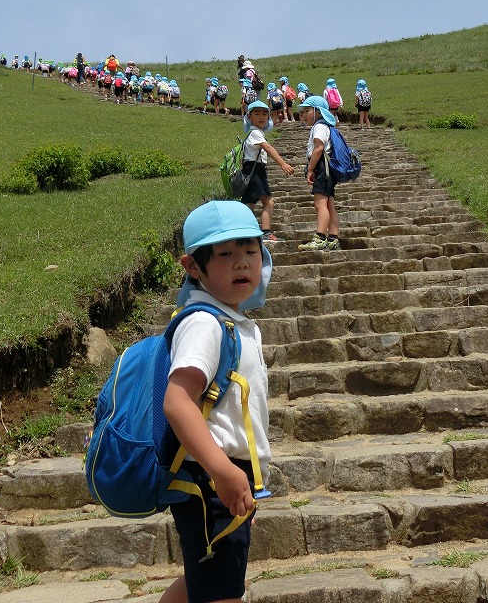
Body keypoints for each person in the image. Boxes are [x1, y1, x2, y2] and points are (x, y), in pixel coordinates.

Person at [160, 200, 272, 603]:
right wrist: (223, 472)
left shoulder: (232, 321)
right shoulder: (204, 323)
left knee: (207, 580)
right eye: (225, 254)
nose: (242, 264)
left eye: (250, 251)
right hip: (210, 475)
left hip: (225, 475)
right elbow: (177, 402)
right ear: (193, 267)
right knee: (221, 588)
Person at [240, 101, 294, 243]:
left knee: (250, 202)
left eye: (264, 114)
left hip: (251, 170)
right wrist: (282, 163)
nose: (261, 117)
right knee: (268, 202)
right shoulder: (255, 133)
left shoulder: (254, 133)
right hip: (255, 170)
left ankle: (243, 231)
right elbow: (267, 148)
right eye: (256, 114)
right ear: (249, 117)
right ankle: (265, 232)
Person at [298, 95, 341, 252]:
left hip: (322, 168)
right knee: (329, 203)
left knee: (320, 204)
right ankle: (333, 238)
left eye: (307, 111)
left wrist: (310, 169)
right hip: (329, 168)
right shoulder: (327, 126)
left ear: (319, 112)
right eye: (303, 111)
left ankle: (320, 237)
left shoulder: (319, 127)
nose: (303, 115)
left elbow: (318, 148)